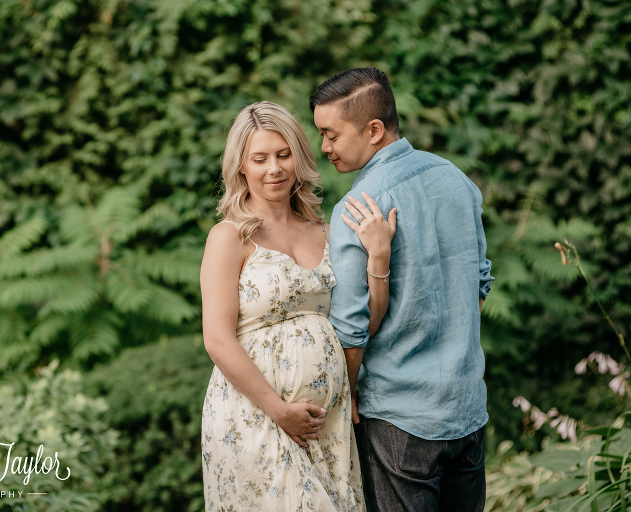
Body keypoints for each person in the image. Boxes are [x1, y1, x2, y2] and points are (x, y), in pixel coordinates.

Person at [310, 67, 494, 511]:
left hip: (398, 420)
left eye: (331, 134)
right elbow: (480, 284)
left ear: (373, 130)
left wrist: (348, 397)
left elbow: (351, 330)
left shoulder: (356, 208)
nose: (324, 148)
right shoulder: (456, 179)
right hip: (467, 409)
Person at [200, 101, 395, 511]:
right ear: (240, 167)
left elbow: (365, 321)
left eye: (283, 154)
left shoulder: (326, 231)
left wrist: (378, 259)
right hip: (256, 415)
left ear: (298, 158)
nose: (274, 168)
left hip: (329, 422)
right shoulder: (229, 237)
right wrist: (280, 410)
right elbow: (217, 339)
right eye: (260, 158)